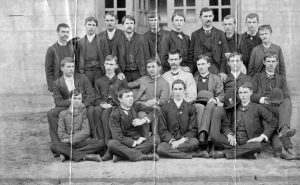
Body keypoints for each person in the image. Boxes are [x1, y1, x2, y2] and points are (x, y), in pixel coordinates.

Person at [211, 82, 277, 159]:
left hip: (249, 141)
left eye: (245, 92)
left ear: (251, 92)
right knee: (215, 137)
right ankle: (246, 153)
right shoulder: (234, 107)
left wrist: (262, 136)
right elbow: (225, 125)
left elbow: (274, 121)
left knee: (258, 146)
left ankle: (225, 154)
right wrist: (230, 134)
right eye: (240, 93)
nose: (243, 95)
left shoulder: (258, 108)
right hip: (234, 142)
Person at [251, 52, 297, 159]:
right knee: (280, 116)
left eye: (273, 61)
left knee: (287, 102)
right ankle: (287, 146)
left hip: (277, 106)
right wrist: (262, 99)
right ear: (264, 62)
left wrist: (279, 101)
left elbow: (286, 96)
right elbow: (251, 94)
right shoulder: (257, 77)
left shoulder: (281, 78)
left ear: (276, 63)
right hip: (263, 106)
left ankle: (281, 145)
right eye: (268, 61)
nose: (270, 64)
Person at [47, 57, 97, 144]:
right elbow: (58, 101)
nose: (71, 69)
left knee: (91, 110)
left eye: (73, 67)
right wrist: (72, 103)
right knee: (51, 113)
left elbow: (91, 95)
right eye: (68, 67)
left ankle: (94, 138)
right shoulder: (57, 83)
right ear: (62, 68)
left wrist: (83, 104)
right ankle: (57, 143)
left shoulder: (82, 78)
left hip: (83, 104)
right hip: (67, 107)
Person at [50, 89, 105, 162]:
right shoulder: (63, 114)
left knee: (100, 144)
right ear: (70, 99)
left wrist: (71, 139)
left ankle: (67, 154)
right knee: (53, 146)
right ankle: (86, 156)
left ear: (81, 100)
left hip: (80, 141)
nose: (77, 101)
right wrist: (70, 140)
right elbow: (61, 133)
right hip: (68, 143)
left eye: (79, 99)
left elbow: (86, 131)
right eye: (74, 98)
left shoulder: (83, 112)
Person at [107, 88, 159, 162]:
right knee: (111, 143)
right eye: (127, 96)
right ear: (120, 99)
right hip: (125, 142)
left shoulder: (135, 106)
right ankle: (143, 156)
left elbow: (155, 111)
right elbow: (117, 136)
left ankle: (123, 155)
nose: (131, 99)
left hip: (139, 139)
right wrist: (134, 143)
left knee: (156, 139)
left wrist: (143, 120)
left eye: (132, 96)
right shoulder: (115, 114)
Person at [93, 55, 128, 160]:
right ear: (104, 64)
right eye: (107, 64)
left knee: (106, 113)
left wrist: (112, 104)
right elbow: (97, 98)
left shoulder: (120, 79)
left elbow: (125, 96)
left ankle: (108, 147)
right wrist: (102, 104)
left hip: (117, 105)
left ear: (116, 66)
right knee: (96, 110)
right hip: (104, 105)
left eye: (111, 64)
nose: (108, 67)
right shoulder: (98, 81)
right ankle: (101, 144)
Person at [157, 79, 201, 159]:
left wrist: (181, 141)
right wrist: (173, 141)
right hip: (170, 141)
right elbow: (162, 130)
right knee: (160, 148)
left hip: (185, 141)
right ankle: (192, 155)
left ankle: (173, 152)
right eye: (175, 89)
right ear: (172, 91)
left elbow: (193, 130)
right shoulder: (165, 107)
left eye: (180, 89)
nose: (177, 92)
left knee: (195, 142)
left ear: (184, 90)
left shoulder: (190, 107)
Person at [128, 58, 170, 140]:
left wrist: (156, 101)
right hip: (142, 107)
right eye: (149, 67)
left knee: (156, 110)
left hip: (155, 109)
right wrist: (120, 79)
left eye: (153, 67)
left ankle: (154, 137)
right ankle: (145, 138)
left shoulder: (164, 83)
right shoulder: (144, 79)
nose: (151, 69)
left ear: (159, 67)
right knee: (141, 114)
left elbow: (164, 101)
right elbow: (129, 85)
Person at [193, 55, 224, 157]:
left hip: (212, 104)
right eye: (198, 64)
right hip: (198, 104)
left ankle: (204, 136)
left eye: (203, 64)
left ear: (208, 64)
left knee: (210, 106)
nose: (200, 67)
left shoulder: (216, 78)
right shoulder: (194, 79)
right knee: (201, 108)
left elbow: (221, 94)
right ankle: (206, 141)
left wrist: (215, 99)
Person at [189, 7, 228, 75]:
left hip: (216, 68)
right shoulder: (195, 35)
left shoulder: (220, 34)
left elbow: (224, 54)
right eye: (205, 16)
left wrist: (222, 71)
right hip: (199, 68)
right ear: (200, 17)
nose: (208, 19)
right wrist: (191, 72)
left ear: (213, 17)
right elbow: (191, 55)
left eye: (210, 16)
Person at [77, 16, 109, 86]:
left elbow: (107, 57)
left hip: (99, 71)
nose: (91, 27)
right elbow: (77, 60)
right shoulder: (80, 42)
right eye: (89, 24)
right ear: (85, 25)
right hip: (86, 72)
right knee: (88, 93)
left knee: (100, 92)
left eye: (93, 25)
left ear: (96, 27)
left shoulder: (102, 40)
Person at [112, 15, 145, 82]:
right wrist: (119, 72)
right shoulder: (117, 39)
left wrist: (144, 74)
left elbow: (147, 57)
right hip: (123, 73)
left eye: (131, 23)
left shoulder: (141, 38)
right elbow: (114, 58)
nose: (129, 25)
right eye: (127, 23)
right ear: (123, 25)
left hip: (138, 73)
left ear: (134, 25)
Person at [45, 23, 75, 93]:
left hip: (71, 83)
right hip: (58, 84)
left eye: (67, 32)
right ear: (58, 33)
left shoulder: (72, 48)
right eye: (63, 32)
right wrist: (52, 89)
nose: (65, 34)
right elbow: (48, 71)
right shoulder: (51, 49)